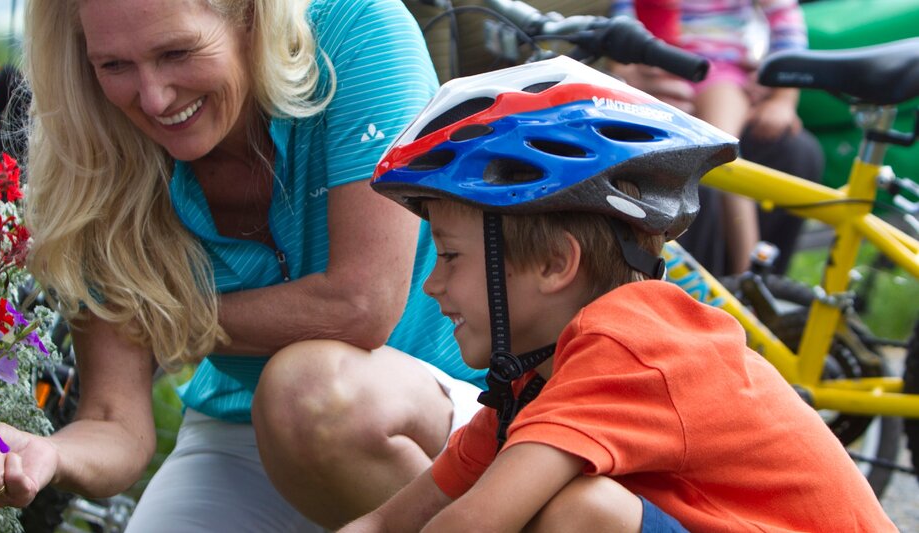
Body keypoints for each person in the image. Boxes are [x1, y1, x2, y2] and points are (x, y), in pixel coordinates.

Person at [0, 0, 486, 530]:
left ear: (250, 19)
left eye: (177, 52)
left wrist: (154, 319)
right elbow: (111, 420)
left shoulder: (358, 32)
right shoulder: (95, 159)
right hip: (240, 428)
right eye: (114, 66)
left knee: (305, 392)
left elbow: (359, 306)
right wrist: (46, 453)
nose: (152, 98)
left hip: (455, 411)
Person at [339, 57, 896, 531]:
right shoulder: (534, 381)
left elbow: (474, 522)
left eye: (451, 255)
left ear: (556, 264)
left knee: (582, 513)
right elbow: (391, 522)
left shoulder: (630, 346)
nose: (432, 283)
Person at [611, 0, 815, 275]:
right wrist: (628, 70)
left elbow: (785, 21)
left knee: (723, 156)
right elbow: (620, 27)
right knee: (705, 162)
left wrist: (783, 97)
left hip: (720, 73)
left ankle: (751, 274)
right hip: (663, 74)